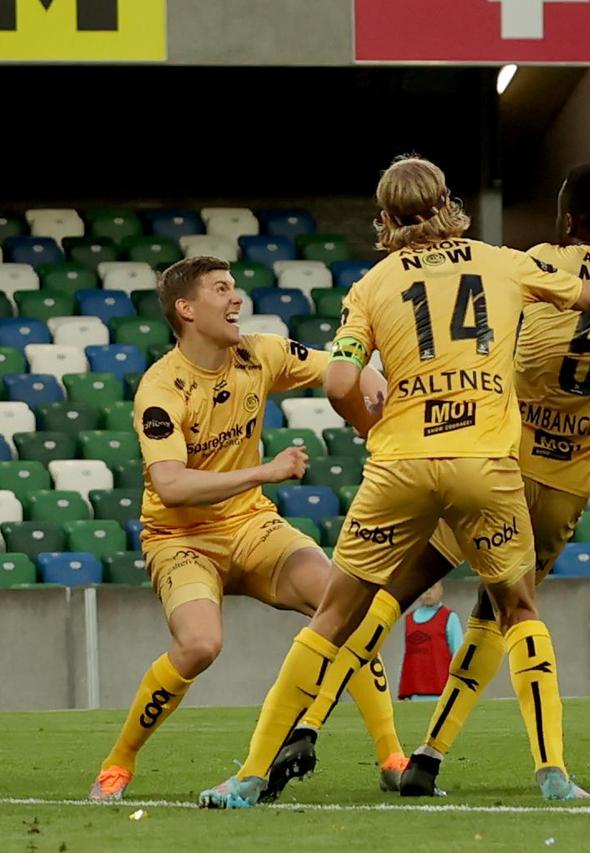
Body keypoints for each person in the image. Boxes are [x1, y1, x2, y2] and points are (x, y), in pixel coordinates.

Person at [211, 154, 590, 807]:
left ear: (385, 216)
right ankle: (553, 774)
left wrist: (366, 427)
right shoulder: (500, 259)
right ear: (449, 202)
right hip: (487, 465)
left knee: (335, 614)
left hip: (401, 464)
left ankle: (252, 772)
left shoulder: (371, 284)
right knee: (517, 611)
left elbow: (343, 378)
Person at [89, 255, 404, 806]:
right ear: (186, 309)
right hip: (182, 539)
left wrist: (369, 411)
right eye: (221, 289)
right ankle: (119, 762)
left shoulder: (260, 353)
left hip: (252, 526)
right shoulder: (161, 389)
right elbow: (171, 486)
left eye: (234, 287)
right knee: (200, 645)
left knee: (346, 607)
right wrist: (267, 470)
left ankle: (393, 759)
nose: (236, 298)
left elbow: (347, 369)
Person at [398, 581, 462, 701]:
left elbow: (459, 656)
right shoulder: (409, 620)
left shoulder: (449, 617)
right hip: (414, 695)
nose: (428, 592)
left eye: (432, 587)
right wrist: (404, 692)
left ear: (441, 590)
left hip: (442, 693)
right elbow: (409, 660)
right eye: (424, 588)